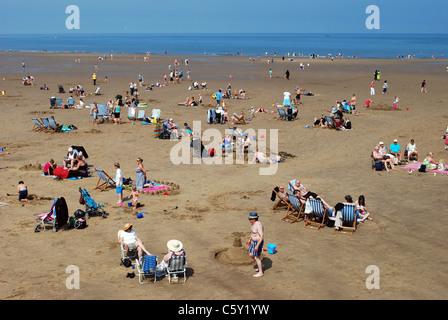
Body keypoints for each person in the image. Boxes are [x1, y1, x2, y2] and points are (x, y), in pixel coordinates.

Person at [247, 212, 264, 278]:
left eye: (250, 219)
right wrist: (250, 239)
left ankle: (260, 272)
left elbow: (262, 236)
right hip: (254, 242)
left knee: (256, 257)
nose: (249, 220)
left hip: (258, 242)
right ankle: (261, 265)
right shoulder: (253, 224)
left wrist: (257, 245)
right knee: (251, 254)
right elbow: (253, 233)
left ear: (253, 219)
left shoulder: (258, 225)